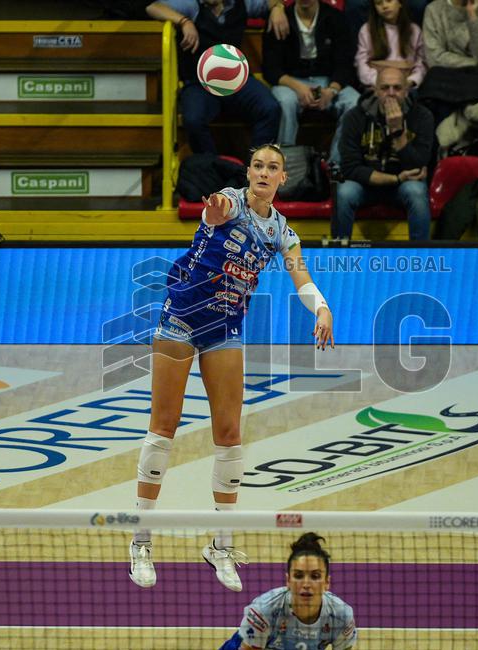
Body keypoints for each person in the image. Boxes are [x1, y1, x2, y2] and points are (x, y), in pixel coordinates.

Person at [128, 144, 335, 592]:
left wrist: (321, 308)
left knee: (229, 434)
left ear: (284, 179)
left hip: (225, 327)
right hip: (180, 318)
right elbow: (214, 212)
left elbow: (300, 276)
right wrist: (215, 209)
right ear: (249, 173)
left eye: (273, 168)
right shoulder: (230, 200)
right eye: (258, 165)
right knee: (163, 426)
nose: (264, 172)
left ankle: (220, 546)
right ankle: (141, 540)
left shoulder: (282, 231)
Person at [146, 0, 283, 155]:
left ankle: (255, 170)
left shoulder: (243, 3)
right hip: (199, 82)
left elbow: (271, 2)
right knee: (193, 120)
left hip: (236, 79)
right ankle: (212, 170)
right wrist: (184, 21)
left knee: (270, 108)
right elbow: (153, 7)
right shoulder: (191, 5)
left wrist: (278, 8)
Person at [334, 65, 434, 239]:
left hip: (404, 186)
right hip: (365, 185)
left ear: (406, 91)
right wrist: (395, 178)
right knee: (344, 192)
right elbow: (349, 168)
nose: (391, 93)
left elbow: (418, 166)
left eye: (397, 88)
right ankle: (339, 254)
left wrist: (397, 132)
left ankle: (420, 256)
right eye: (385, 88)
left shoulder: (422, 117)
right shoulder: (354, 117)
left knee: (417, 192)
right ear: (375, 91)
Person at [219, 532, 357, 650]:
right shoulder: (263, 610)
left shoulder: (341, 615)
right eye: (298, 575)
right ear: (288, 580)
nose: (306, 584)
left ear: (327, 582)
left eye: (315, 576)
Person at [262, 0, 360, 165]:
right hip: (291, 82)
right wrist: (299, 87)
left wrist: (332, 90)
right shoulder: (280, 17)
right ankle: (285, 164)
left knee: (354, 101)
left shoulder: (335, 17)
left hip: (327, 81)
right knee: (285, 102)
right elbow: (271, 70)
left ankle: (336, 166)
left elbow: (345, 64)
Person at [421, 0, 478, 157]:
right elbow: (435, 57)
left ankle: (463, 137)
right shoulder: (434, 9)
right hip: (446, 75)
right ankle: (457, 134)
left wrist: (473, 17)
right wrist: (474, 63)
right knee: (432, 90)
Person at [354, 0, 427, 92]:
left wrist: (411, 81)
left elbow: (421, 64)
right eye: (379, 3)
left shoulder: (414, 30)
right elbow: (361, 63)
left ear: (400, 3)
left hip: (407, 85)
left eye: (389, 1)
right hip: (376, 86)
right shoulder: (367, 30)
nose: (384, 6)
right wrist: (381, 82)